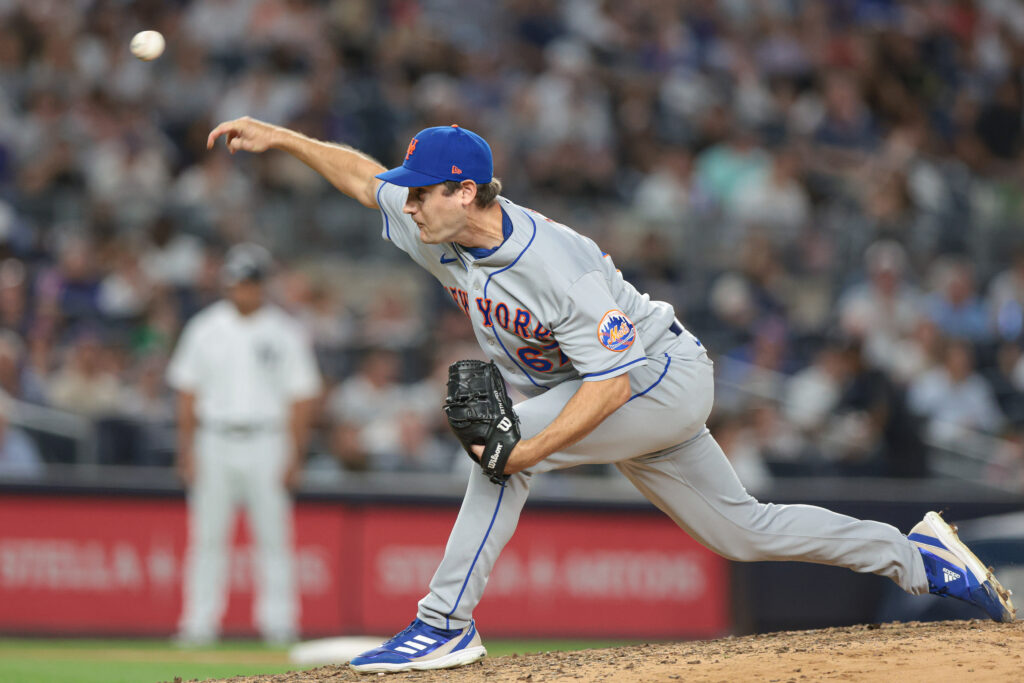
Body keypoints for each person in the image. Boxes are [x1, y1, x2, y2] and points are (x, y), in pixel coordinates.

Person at [207, 118, 1016, 672]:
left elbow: (613, 382)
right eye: (410, 191)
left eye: (423, 190)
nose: (407, 200)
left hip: (658, 377)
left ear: (467, 191)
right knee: (743, 530)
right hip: (618, 391)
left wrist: (524, 450)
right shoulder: (436, 225)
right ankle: (920, 558)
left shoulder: (551, 263)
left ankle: (442, 624)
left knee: (502, 454)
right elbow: (361, 179)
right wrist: (281, 138)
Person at [167, 243, 322, 645]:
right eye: (236, 283)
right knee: (207, 537)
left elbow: (302, 397)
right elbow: (186, 393)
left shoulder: (285, 331)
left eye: (249, 283)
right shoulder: (204, 327)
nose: (242, 290)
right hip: (214, 437)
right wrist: (185, 450)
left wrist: (295, 453)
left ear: (261, 285)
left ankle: (279, 622)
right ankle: (198, 623)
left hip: (267, 439)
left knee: (273, 537)